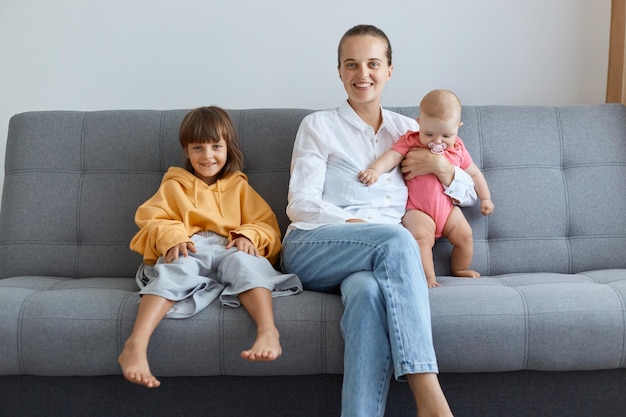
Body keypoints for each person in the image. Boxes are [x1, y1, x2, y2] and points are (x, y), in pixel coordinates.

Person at [281, 25, 476, 417]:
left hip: (377, 261)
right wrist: (357, 229)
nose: (362, 74)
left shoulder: (411, 131)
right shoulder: (318, 126)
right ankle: (431, 401)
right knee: (394, 239)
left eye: (373, 63)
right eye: (351, 65)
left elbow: (469, 194)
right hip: (315, 244)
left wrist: (439, 166)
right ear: (339, 72)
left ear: (389, 70)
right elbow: (300, 205)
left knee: (369, 294)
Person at [118, 106, 302, 388]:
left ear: (228, 148)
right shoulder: (174, 186)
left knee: (247, 264)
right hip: (190, 245)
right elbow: (152, 220)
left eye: (216, 146)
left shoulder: (239, 188)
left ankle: (268, 331)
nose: (207, 156)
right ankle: (136, 345)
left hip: (230, 247)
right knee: (177, 269)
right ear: (186, 151)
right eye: (198, 148)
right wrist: (174, 236)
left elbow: (267, 226)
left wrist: (247, 236)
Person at [359, 89, 494, 287]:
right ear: (419, 123)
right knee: (421, 238)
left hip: (448, 210)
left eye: (446, 135)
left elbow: (474, 174)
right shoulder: (411, 140)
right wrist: (375, 170)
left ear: (458, 127)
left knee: (465, 235)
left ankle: (459, 268)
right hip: (418, 210)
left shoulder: (458, 148)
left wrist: (486, 198)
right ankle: (429, 277)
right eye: (429, 134)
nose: (437, 141)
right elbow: (392, 156)